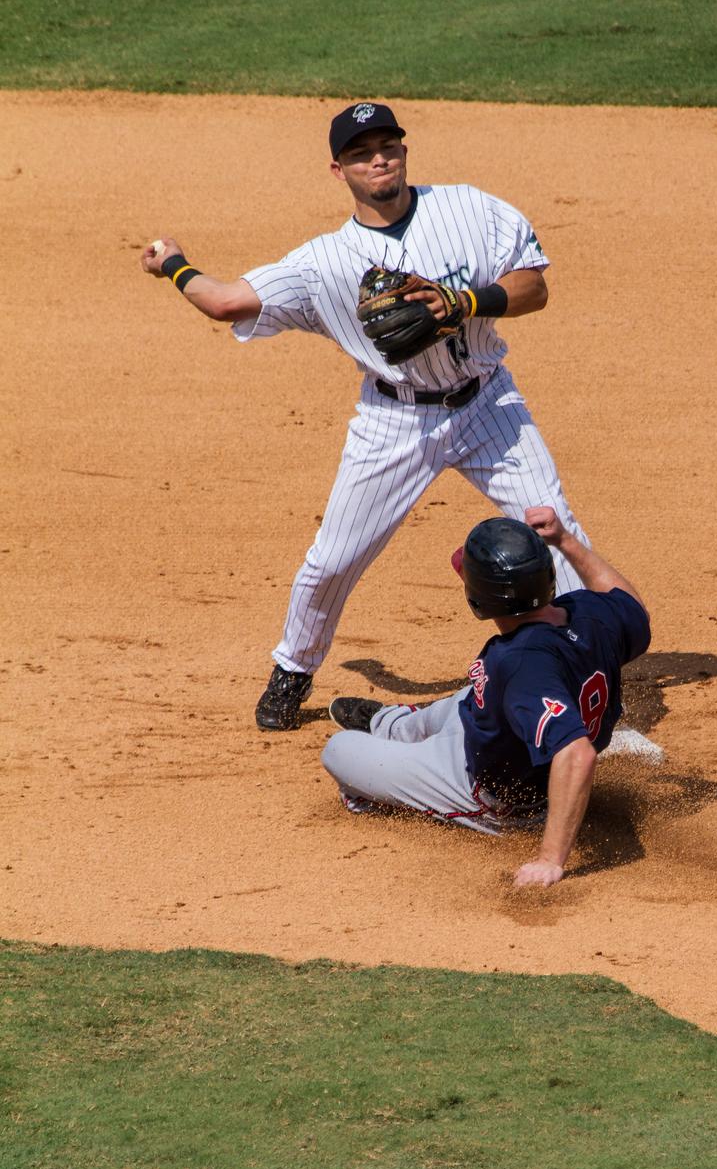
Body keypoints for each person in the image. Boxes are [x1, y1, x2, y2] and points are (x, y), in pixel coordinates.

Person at [140, 99, 592, 731]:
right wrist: (174, 266)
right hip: (395, 422)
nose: (378, 158)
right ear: (338, 170)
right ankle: (292, 669)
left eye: (388, 145)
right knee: (333, 560)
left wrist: (464, 301)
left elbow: (533, 287)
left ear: (404, 150)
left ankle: (589, 673)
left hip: (490, 403)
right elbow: (225, 303)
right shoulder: (322, 263)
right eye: (360, 153)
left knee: (557, 533)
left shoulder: (469, 208)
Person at [321, 507, 650, 889]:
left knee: (338, 750)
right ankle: (390, 724)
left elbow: (577, 754)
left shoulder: (520, 664)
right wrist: (567, 541)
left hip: (496, 798)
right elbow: (631, 606)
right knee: (469, 696)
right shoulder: (590, 610)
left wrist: (550, 861)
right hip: (500, 725)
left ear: (479, 601)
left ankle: (382, 789)